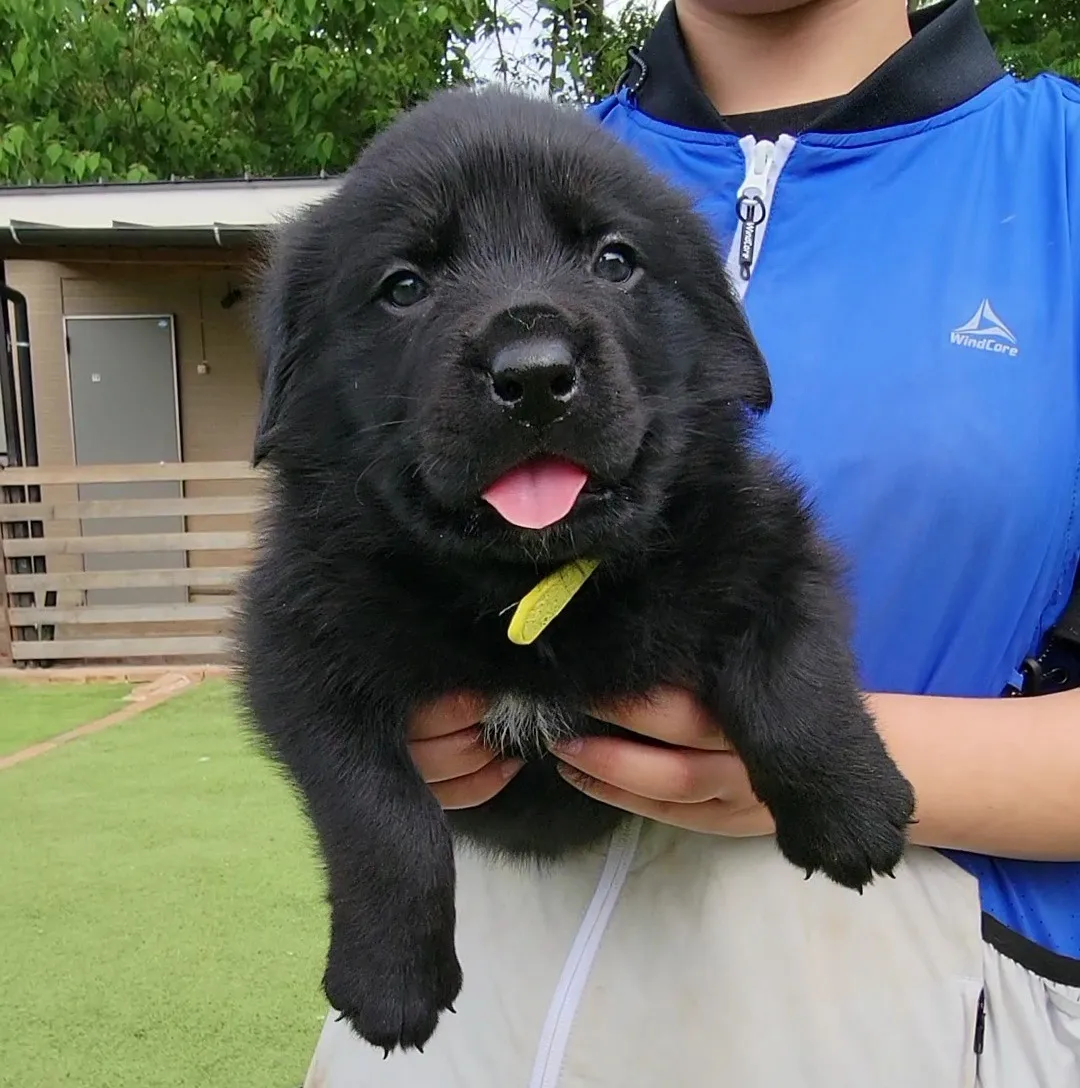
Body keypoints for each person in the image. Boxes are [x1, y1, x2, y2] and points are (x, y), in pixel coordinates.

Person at [302, 1, 1080, 1084]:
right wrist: (395, 740)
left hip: (903, 1007)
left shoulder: (1059, 179)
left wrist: (803, 751)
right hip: (467, 1020)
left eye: (613, 260)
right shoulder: (495, 156)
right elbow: (326, 533)